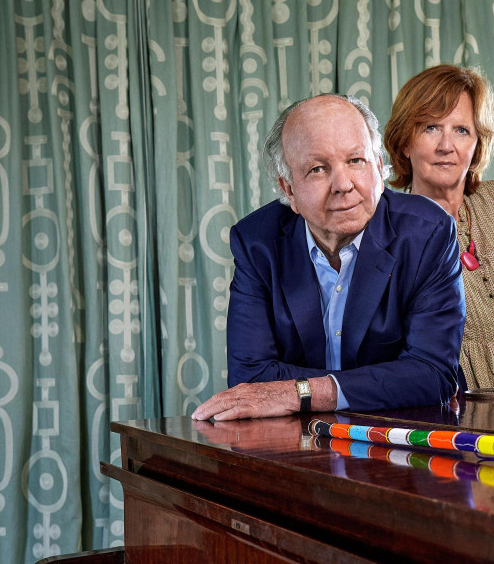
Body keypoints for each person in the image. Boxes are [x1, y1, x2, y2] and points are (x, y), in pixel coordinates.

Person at [192, 93, 465, 421]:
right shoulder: (257, 242)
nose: (343, 185)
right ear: (289, 190)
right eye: (318, 169)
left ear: (379, 167)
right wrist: (379, 381)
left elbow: (431, 374)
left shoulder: (428, 233)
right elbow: (249, 377)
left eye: (356, 160)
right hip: (298, 437)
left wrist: (303, 392)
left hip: (402, 433)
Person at [384, 64, 494, 391]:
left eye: (461, 130)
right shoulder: (387, 231)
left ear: (476, 144)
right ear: (404, 143)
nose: (446, 145)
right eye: (431, 128)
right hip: (454, 400)